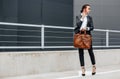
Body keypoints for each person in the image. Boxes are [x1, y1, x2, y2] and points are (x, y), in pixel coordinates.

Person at [74, 4, 96, 76]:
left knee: (90, 51)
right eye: (88, 8)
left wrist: (86, 28)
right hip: (80, 36)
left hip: (87, 36)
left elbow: (92, 27)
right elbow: (78, 25)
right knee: (81, 53)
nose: (90, 10)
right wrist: (82, 18)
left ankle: (94, 66)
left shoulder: (90, 17)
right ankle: (83, 69)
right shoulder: (78, 16)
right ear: (84, 9)